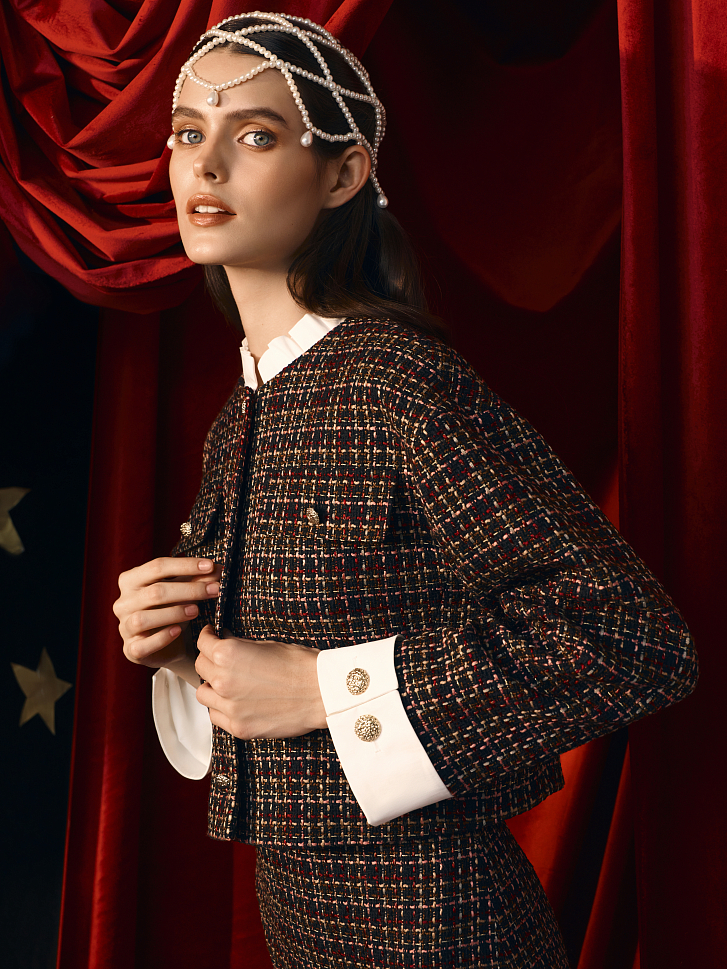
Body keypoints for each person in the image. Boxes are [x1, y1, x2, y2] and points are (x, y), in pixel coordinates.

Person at [113, 13, 698, 968]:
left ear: (343, 174)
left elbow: (626, 637)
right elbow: (279, 693)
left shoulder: (398, 382)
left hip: (438, 927)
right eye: (187, 132)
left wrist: (322, 688)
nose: (204, 165)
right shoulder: (242, 413)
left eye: (253, 134)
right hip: (303, 924)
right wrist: (188, 657)